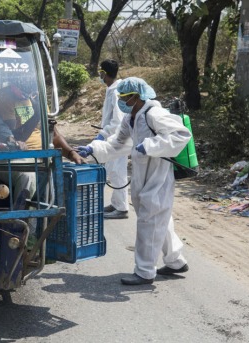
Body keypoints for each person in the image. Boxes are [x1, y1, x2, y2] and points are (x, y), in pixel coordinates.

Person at [76, 77, 191, 285]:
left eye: (126, 97)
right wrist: (94, 149)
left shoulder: (154, 113)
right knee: (157, 218)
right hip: (142, 174)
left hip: (158, 175)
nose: (122, 101)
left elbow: (182, 135)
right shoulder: (130, 117)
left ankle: (145, 271)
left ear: (138, 96)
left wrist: (150, 145)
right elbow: (117, 144)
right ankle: (175, 261)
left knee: (150, 219)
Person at [96, 60, 129, 219]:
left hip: (117, 139)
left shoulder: (116, 92)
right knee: (112, 171)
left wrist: (104, 133)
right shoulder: (111, 89)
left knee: (118, 172)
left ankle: (122, 208)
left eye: (100, 73)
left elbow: (118, 121)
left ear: (104, 73)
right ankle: (116, 204)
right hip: (111, 139)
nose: (100, 76)